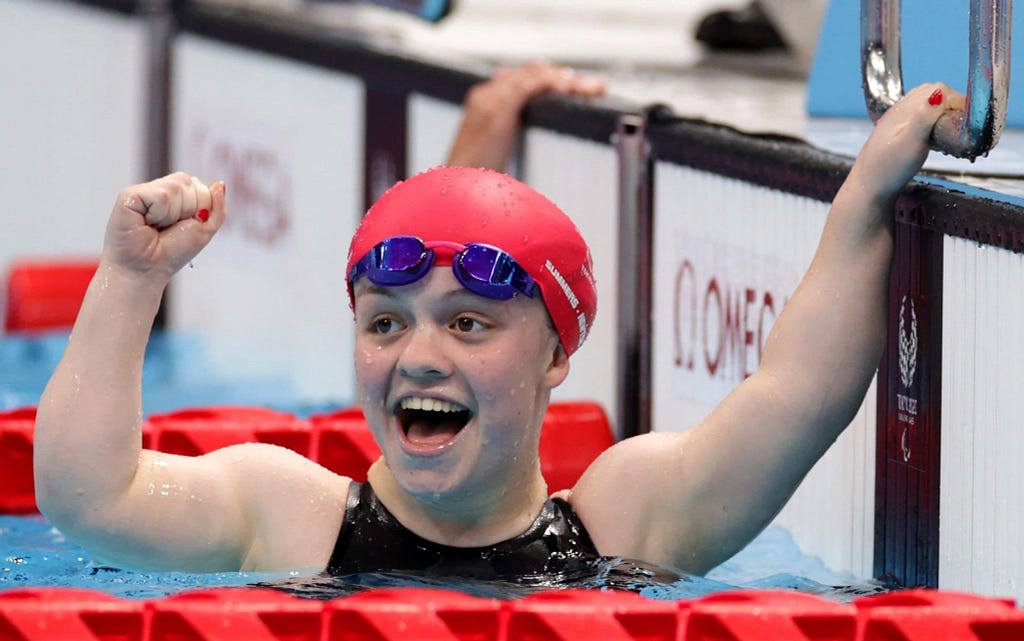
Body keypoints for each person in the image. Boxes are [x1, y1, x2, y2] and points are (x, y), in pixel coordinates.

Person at [34, 81, 962, 578]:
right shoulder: (286, 516)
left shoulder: (628, 522)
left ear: (558, 353)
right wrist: (131, 277)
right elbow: (92, 498)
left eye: (469, 323)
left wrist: (864, 195)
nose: (419, 357)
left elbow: (797, 395)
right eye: (386, 322)